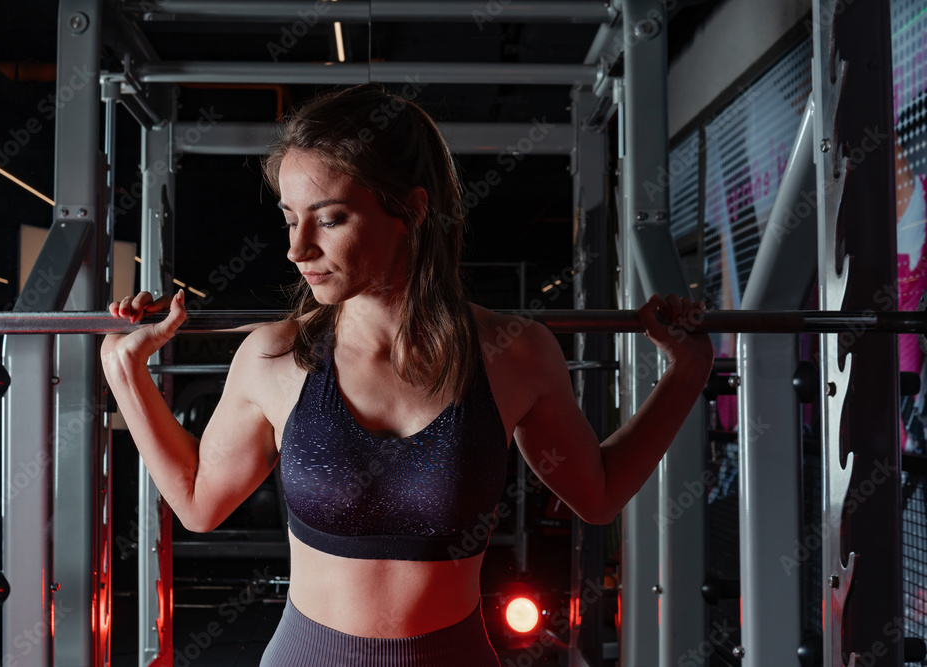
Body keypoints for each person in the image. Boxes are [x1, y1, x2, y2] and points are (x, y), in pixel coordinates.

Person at [100, 83, 714, 666]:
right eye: (290, 218)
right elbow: (199, 504)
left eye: (330, 219)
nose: (297, 248)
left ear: (412, 210)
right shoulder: (275, 357)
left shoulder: (513, 353)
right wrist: (124, 370)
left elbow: (598, 495)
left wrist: (688, 371)